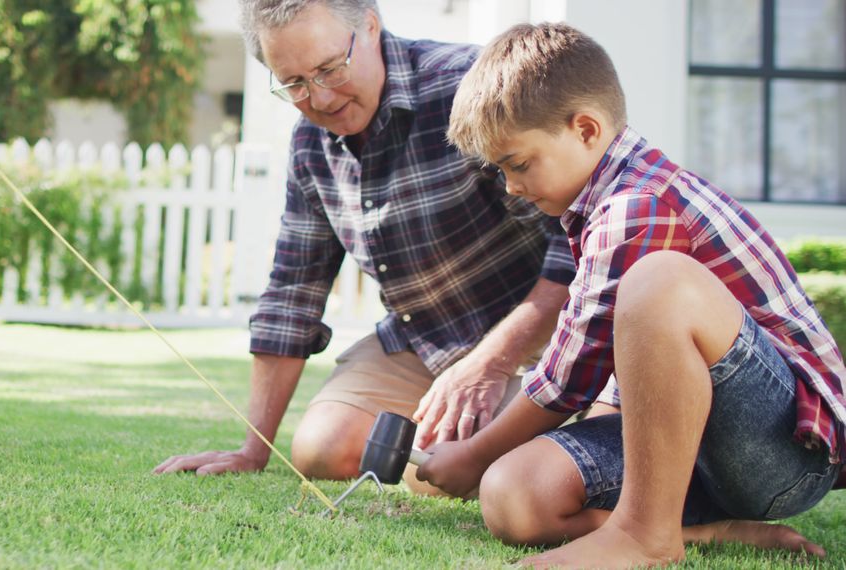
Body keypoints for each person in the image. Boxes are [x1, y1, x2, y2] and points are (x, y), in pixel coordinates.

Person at [417, 22, 846, 567]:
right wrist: (493, 466)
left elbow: (569, 379)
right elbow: (614, 372)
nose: (512, 187)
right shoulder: (599, 207)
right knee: (514, 494)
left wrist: (475, 453)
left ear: (586, 130)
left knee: (659, 281)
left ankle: (645, 536)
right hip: (691, 450)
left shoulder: (637, 205)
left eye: (518, 163)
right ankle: (712, 533)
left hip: (782, 452)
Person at [153, 0, 576, 487]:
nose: (320, 98)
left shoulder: (469, 85)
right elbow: (293, 291)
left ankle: (495, 462)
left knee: (524, 471)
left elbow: (573, 246)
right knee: (321, 450)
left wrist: (490, 362)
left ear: (370, 28)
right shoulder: (310, 145)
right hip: (425, 336)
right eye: (293, 83)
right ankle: (464, 464)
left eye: (329, 69)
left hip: (541, 335)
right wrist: (253, 447)